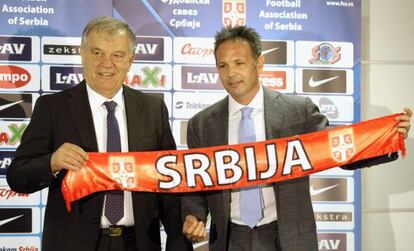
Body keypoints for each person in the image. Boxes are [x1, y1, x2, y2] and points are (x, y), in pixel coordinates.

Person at [181, 25, 412, 251]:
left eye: (239, 63)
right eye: (223, 65)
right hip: (230, 238)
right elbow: (196, 183)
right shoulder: (201, 124)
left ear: (258, 63)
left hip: (288, 236)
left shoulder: (298, 110)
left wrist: (388, 138)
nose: (231, 73)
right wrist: (194, 215)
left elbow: (341, 151)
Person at [7, 17, 192, 251]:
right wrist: (52, 162)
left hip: (139, 243)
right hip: (72, 243)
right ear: (82, 54)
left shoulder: (153, 109)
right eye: (97, 53)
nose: (107, 63)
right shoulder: (52, 108)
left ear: (130, 60)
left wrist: (179, 242)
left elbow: (168, 184)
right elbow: (17, 176)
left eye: (117, 55)